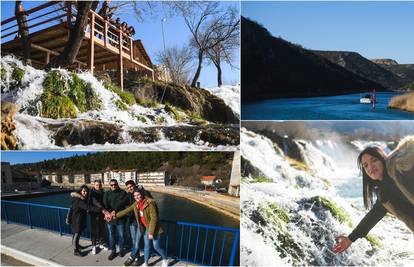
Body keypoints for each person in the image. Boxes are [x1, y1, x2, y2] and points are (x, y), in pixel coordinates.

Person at [333, 136, 414, 253]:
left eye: (374, 160)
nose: (370, 167)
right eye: (365, 165)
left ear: (382, 159)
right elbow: (372, 217)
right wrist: (350, 238)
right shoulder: (384, 197)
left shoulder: (400, 169)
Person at [112, 188, 168, 267]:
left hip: (154, 228)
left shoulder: (150, 203)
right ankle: (146, 263)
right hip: (144, 228)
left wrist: (151, 232)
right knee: (147, 246)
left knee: (156, 247)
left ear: (142, 194)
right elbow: (126, 210)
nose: (137, 197)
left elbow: (154, 218)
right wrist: (114, 216)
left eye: (138, 195)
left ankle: (165, 259)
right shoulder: (136, 204)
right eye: (135, 196)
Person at [70, 185, 109, 257]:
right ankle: (76, 250)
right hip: (76, 220)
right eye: (84, 191)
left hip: (79, 220)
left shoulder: (82, 198)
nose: (85, 193)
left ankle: (78, 246)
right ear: (80, 191)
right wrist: (100, 210)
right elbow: (87, 207)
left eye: (86, 191)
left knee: (78, 234)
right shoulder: (78, 200)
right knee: (76, 235)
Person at [103, 179, 128, 260]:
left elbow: (123, 203)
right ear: (110, 185)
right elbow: (105, 204)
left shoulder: (123, 192)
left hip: (120, 218)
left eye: (115, 184)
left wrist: (115, 211)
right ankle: (113, 251)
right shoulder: (107, 193)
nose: (113, 186)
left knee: (122, 236)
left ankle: (121, 250)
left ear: (117, 184)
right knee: (111, 235)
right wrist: (108, 214)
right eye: (112, 185)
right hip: (110, 219)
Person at [122, 180, 142, 266]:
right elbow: (121, 204)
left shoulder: (141, 193)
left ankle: (132, 256)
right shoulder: (128, 195)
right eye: (128, 188)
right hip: (132, 221)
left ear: (134, 185)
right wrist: (113, 212)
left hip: (141, 222)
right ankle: (137, 258)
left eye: (131, 186)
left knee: (137, 241)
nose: (130, 189)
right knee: (134, 241)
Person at [88, 179, 106, 254]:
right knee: (94, 230)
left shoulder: (103, 192)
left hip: (102, 214)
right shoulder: (91, 193)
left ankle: (101, 243)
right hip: (94, 214)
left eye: (99, 185)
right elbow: (95, 201)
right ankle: (94, 245)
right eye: (96, 185)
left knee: (102, 229)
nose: (98, 186)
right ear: (94, 185)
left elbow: (105, 202)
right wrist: (103, 209)